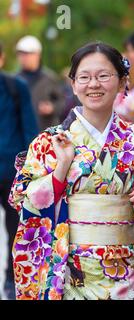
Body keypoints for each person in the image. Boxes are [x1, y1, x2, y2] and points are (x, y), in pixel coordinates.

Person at [9, 41, 134, 300]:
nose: (94, 84)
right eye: (84, 77)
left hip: (129, 271)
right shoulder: (49, 141)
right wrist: (60, 170)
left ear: (122, 81)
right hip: (69, 272)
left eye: (104, 76)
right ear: (73, 84)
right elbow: (21, 199)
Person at [0, 41, 39, 300]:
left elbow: (29, 129)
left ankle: (12, 279)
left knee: (16, 228)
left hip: (9, 171)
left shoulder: (16, 87)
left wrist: (32, 172)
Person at [16, 35, 65, 131]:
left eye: (26, 54)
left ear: (37, 54)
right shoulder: (15, 80)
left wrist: (52, 108)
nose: (23, 58)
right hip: (21, 135)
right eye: (20, 54)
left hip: (45, 135)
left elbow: (62, 101)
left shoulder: (50, 78)